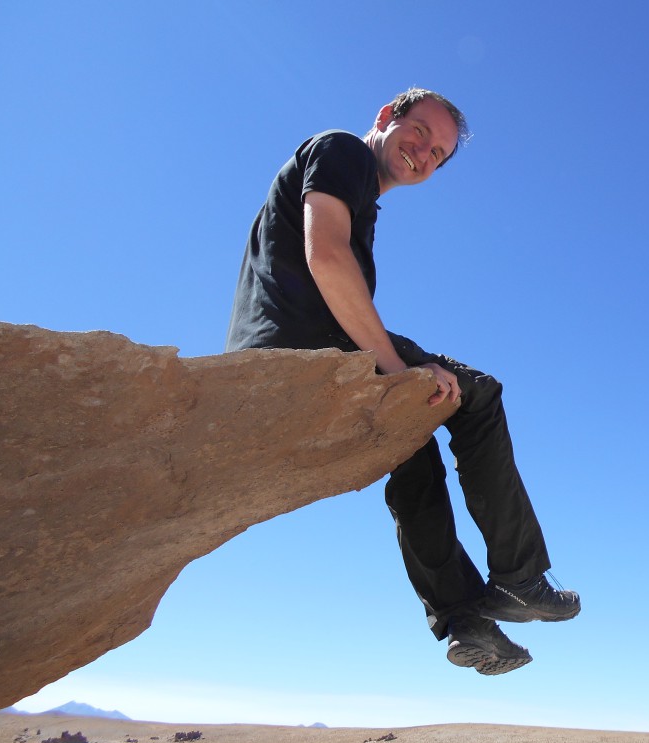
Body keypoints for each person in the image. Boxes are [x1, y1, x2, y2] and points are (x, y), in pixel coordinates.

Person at [225, 88, 579, 676]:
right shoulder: (343, 153)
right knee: (474, 394)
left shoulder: (360, 191)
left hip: (289, 346)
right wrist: (400, 371)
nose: (423, 153)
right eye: (419, 133)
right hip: (301, 350)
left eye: (438, 153)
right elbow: (327, 259)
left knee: (412, 444)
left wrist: (403, 385)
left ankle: (465, 617)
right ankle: (519, 578)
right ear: (387, 116)